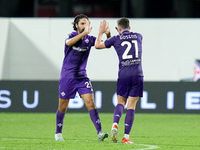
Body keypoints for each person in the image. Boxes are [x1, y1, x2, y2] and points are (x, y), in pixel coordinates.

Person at [55, 14, 110, 141]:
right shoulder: (71, 36)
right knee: (63, 106)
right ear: (76, 25)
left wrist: (106, 33)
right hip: (67, 77)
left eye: (87, 23)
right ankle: (58, 133)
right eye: (82, 23)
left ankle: (100, 132)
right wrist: (83, 33)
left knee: (90, 103)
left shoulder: (89, 39)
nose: (85, 26)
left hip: (82, 77)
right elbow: (68, 43)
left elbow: (105, 44)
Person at [95, 18, 144, 144]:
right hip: (137, 74)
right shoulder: (139, 36)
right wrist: (111, 34)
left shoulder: (115, 39)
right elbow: (122, 40)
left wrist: (102, 32)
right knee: (131, 106)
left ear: (118, 28)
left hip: (123, 75)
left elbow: (98, 45)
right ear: (130, 27)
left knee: (121, 102)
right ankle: (126, 137)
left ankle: (115, 125)